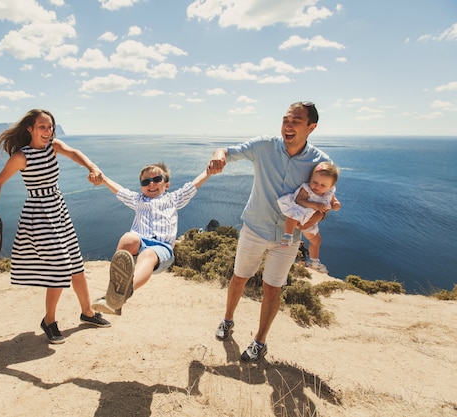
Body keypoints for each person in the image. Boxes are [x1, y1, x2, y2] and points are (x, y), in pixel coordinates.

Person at [208, 101, 332, 362]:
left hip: (288, 239)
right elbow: (228, 151)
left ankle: (259, 341)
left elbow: (326, 202)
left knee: (272, 289)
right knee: (239, 277)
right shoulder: (265, 146)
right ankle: (228, 320)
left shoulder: (320, 163)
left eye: (296, 121)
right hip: (255, 227)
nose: (288, 126)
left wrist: (314, 217)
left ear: (312, 127)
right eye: (286, 120)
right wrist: (220, 156)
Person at [0, 109, 110, 344]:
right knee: (61, 267)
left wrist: (93, 168)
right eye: (42, 126)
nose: (47, 131)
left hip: (59, 210)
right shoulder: (22, 157)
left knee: (76, 265)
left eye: (50, 126)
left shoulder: (54, 146)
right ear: (30, 129)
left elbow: (75, 153)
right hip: (38, 214)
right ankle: (49, 321)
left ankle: (88, 313)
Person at [91, 162, 212, 315]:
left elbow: (193, 186)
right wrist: (103, 179)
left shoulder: (174, 199)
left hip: (162, 249)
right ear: (141, 186)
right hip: (139, 243)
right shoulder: (137, 200)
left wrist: (208, 172)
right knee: (128, 238)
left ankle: (122, 293)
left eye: (157, 179)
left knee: (148, 254)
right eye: (145, 181)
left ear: (166, 185)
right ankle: (114, 293)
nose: (151, 184)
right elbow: (119, 191)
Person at [277, 162, 341, 273]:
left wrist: (336, 204)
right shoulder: (307, 189)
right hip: (301, 211)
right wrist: (315, 205)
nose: (317, 186)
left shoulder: (329, 192)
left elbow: (332, 200)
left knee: (316, 240)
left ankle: (314, 261)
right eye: (315, 182)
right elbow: (299, 200)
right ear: (310, 178)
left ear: (330, 187)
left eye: (323, 185)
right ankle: (288, 236)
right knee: (292, 217)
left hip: (312, 220)